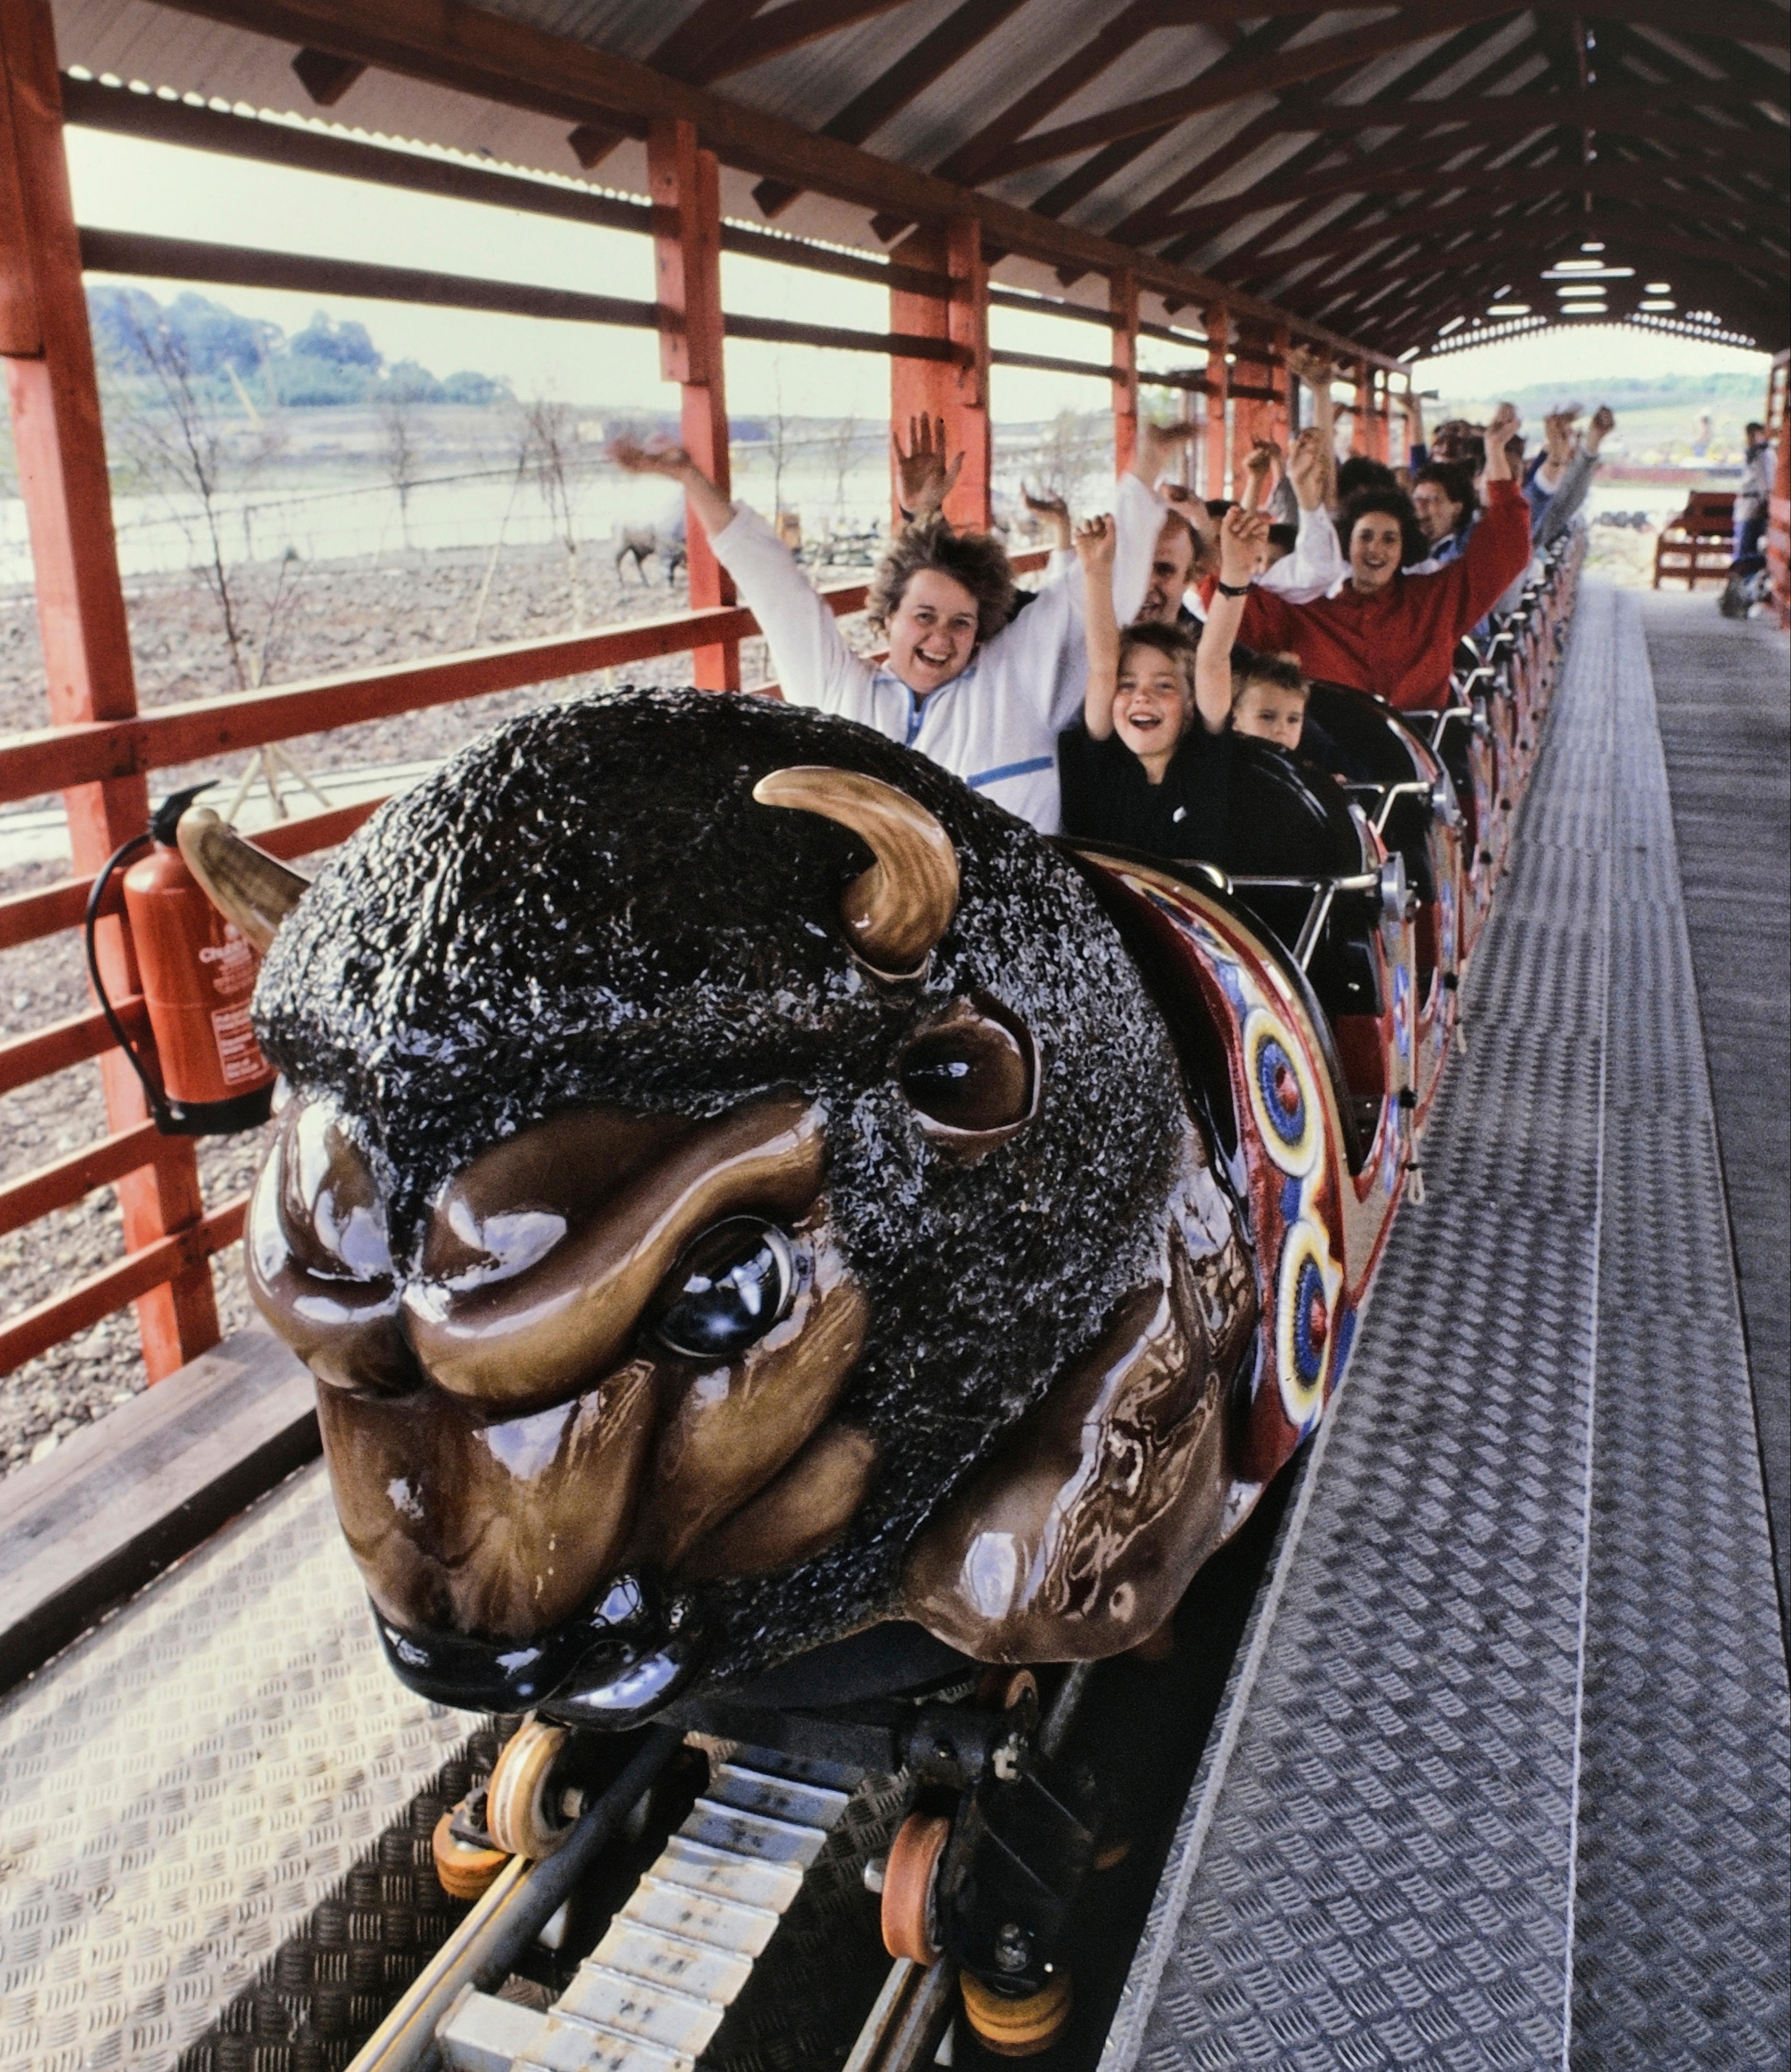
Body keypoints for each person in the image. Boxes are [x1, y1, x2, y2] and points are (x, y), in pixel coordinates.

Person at [611, 419, 1155, 834]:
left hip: (1015, 938)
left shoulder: (1014, 682)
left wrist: (1146, 468)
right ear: (887, 616)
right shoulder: (841, 694)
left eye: (960, 623)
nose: (941, 639)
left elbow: (1091, 595)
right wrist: (690, 477)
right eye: (923, 617)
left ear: (982, 628)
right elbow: (776, 589)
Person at [1231, 402, 1532, 711]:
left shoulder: (1435, 601)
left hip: (1420, 743)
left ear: (1404, 550)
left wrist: (1494, 450)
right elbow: (1231, 605)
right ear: (1347, 546)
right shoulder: (1310, 611)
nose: (1375, 549)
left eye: (1390, 539)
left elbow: (1506, 549)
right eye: (1365, 537)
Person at [1056, 514, 1231, 860]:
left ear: (1189, 703)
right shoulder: (1099, 762)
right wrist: (1097, 571)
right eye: (1128, 686)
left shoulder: (1204, 761)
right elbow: (1103, 668)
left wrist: (1236, 577)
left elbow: (1213, 660)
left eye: (1164, 686)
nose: (1142, 697)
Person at [1195, 508, 1310, 753]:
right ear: (1235, 720)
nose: (1281, 731)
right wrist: (1237, 570)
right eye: (1267, 717)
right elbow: (1213, 658)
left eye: (1293, 720)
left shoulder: (1303, 771)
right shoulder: (1226, 764)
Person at [1407, 462, 1478, 569]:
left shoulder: (1467, 550)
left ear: (1457, 509)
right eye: (1417, 499)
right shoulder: (1406, 547)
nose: (1420, 506)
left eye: (1433, 499)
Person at [1735, 420, 1772, 566]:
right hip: (1747, 505)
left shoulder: (1763, 454)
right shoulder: (1754, 453)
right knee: (1744, 545)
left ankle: (1745, 580)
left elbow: (1766, 481)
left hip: (1755, 504)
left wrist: (1766, 501)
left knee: (1747, 546)